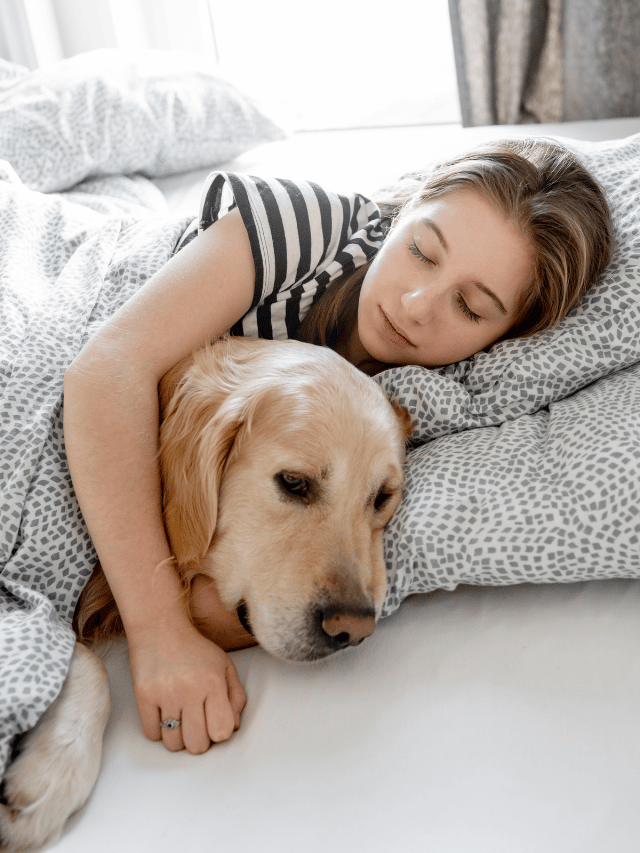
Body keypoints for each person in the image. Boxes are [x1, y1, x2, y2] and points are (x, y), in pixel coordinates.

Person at [63, 137, 614, 756]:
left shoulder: (435, 395)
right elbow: (107, 372)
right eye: (421, 252)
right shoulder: (302, 228)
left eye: (469, 306)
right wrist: (160, 631)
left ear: (505, 338)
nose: (416, 305)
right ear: (403, 213)